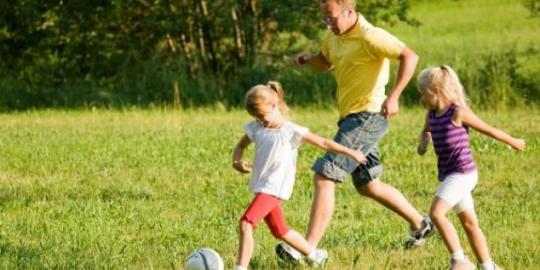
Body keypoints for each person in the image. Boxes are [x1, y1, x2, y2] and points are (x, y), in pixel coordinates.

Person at [277, 0, 434, 261]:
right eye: (324, 19)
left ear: (349, 11)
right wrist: (309, 59)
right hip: (350, 117)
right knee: (368, 185)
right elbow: (326, 61)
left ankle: (307, 248)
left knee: (324, 177)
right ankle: (421, 223)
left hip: (367, 116)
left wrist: (393, 96)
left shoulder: (370, 35)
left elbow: (410, 56)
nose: (328, 24)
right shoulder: (333, 36)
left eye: (332, 18)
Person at [232, 81, 368, 270]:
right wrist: (236, 160)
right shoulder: (257, 127)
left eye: (262, 115)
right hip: (261, 186)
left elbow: (324, 143)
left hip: (273, 188)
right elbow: (240, 145)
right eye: (256, 117)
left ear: (274, 105)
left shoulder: (290, 131)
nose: (260, 120)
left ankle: (240, 268)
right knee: (281, 231)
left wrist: (352, 153)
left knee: (246, 223)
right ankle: (315, 255)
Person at [416, 65, 526, 270]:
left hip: (463, 174)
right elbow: (426, 132)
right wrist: (423, 143)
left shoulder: (458, 113)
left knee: (437, 214)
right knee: (469, 223)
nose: (421, 99)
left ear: (437, 92)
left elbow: (489, 130)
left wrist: (512, 141)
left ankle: (459, 260)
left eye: (423, 93)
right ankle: (488, 267)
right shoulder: (430, 115)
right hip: (449, 174)